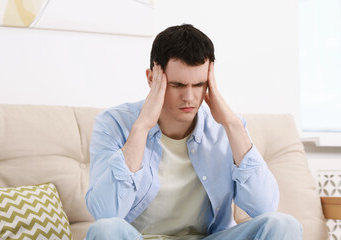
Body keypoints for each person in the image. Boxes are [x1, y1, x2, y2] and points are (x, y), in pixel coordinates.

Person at [85, 24, 302, 240]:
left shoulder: (226, 129)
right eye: (178, 85)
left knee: (284, 224)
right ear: (152, 79)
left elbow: (265, 208)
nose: (189, 97)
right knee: (105, 230)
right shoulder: (113, 123)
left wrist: (232, 124)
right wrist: (141, 127)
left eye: (199, 84)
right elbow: (106, 214)